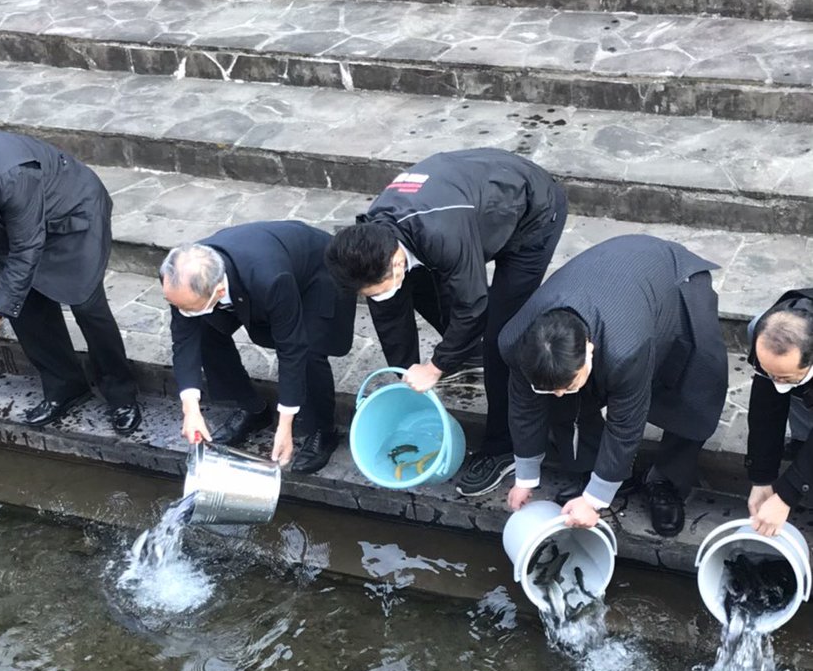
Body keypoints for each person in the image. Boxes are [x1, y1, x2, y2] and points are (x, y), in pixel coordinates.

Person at [325, 148, 567, 497]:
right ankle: (465, 354)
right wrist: (405, 374)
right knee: (427, 293)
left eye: (379, 288)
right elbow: (390, 314)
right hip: (472, 204)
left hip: (532, 213)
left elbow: (473, 306)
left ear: (397, 262)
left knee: (502, 336)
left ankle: (503, 448)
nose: (378, 296)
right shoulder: (372, 240)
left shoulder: (441, 235)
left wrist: (435, 367)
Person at [0, 117, 141, 433]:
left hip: (70, 218)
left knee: (87, 306)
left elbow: (27, 248)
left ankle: (121, 393)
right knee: (27, 308)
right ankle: (65, 386)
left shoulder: (8, 173)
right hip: (10, 228)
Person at [501, 235, 729, 537]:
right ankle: (597, 472)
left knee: (695, 384)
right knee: (568, 397)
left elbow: (626, 423)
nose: (557, 394)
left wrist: (594, 502)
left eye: (569, 383)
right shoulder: (514, 341)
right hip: (607, 283)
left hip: (673, 281)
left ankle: (666, 481)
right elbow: (524, 408)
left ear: (589, 351)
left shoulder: (625, 350)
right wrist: (525, 478)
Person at [160, 221, 356, 474]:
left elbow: (291, 348)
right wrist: (190, 409)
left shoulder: (270, 279)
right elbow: (184, 340)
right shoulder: (179, 275)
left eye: (188, 307)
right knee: (205, 330)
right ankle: (253, 408)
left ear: (219, 291)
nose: (180, 311)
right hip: (250, 276)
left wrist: (285, 426)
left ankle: (323, 430)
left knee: (309, 350)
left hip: (316, 272)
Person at [744, 287, 813, 536]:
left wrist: (787, 494)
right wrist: (761, 478)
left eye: (784, 377)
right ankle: (802, 440)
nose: (776, 383)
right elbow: (765, 407)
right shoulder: (767, 334)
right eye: (770, 373)